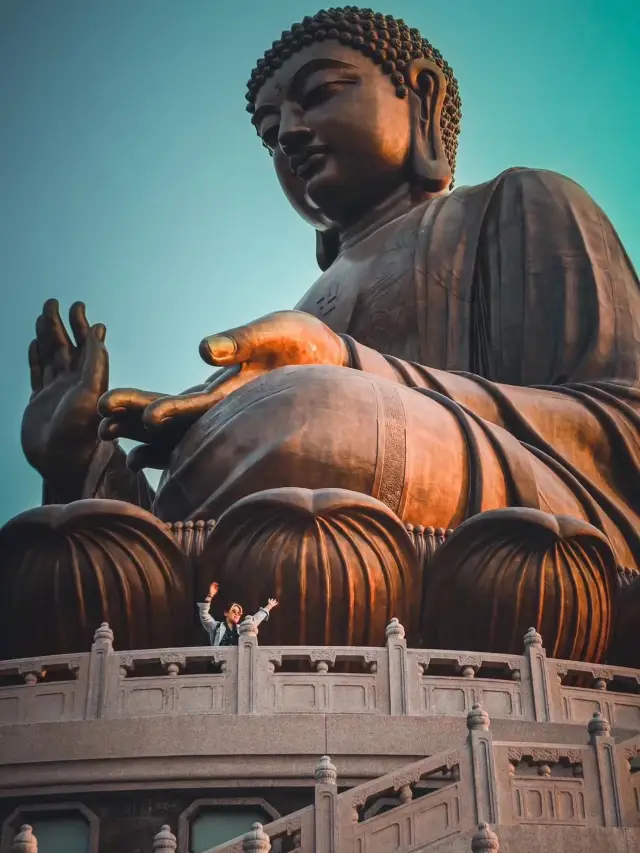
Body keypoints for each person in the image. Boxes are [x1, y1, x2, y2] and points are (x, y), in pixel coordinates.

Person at [16, 6, 640, 655]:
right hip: (309, 566)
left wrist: (344, 366)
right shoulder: (308, 307)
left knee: (307, 413)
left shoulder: (520, 204)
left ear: (421, 98)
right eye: (268, 131)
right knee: (59, 542)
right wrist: (83, 465)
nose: (288, 134)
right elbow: (198, 526)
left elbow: (620, 437)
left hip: (527, 552)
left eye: (317, 94)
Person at [198, 581, 278, 647]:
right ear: (226, 613)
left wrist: (269, 606)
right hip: (220, 662)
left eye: (239, 613)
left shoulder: (241, 628)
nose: (237, 614)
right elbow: (204, 615)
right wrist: (210, 596)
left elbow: (255, 619)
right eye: (234, 611)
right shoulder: (216, 627)